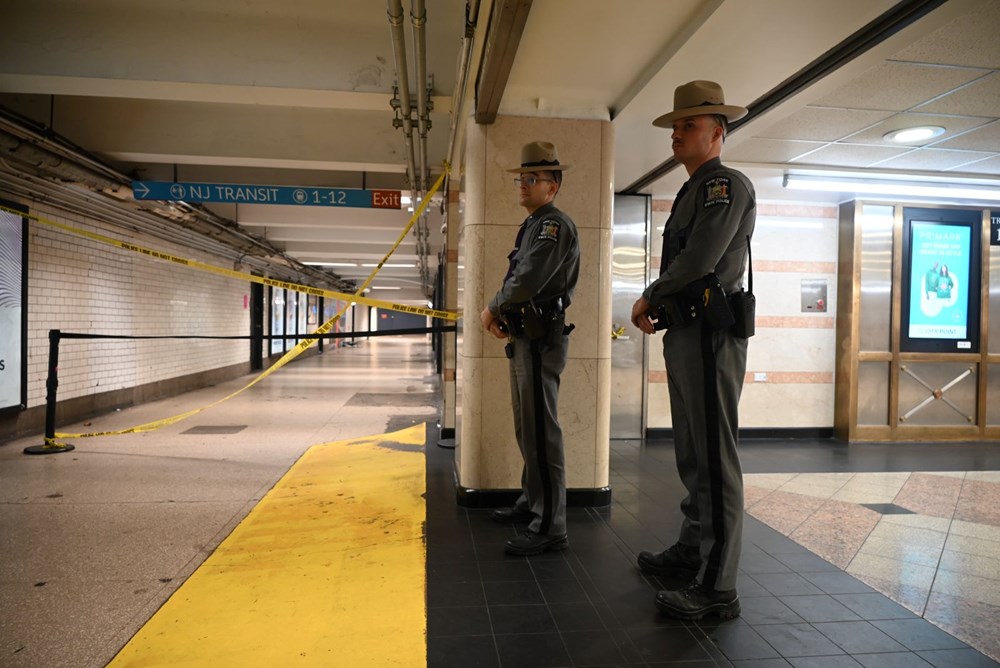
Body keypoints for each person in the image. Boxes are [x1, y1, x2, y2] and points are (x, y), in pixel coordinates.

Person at [630, 81, 756, 620]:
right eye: (676, 125)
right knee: (692, 454)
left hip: (709, 335)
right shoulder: (690, 191)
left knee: (715, 457)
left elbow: (701, 257)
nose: (677, 133)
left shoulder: (724, 185)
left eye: (689, 124)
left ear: (717, 132)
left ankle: (717, 586)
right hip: (686, 333)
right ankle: (692, 548)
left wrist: (649, 295)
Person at [480, 140, 580, 556]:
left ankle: (550, 526)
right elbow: (521, 276)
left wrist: (492, 307)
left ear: (552, 186)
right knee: (528, 427)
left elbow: (527, 278)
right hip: (526, 336)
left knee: (542, 432)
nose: (523, 184)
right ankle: (533, 502)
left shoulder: (554, 225)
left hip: (541, 340)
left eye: (532, 178)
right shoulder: (534, 224)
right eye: (522, 177)